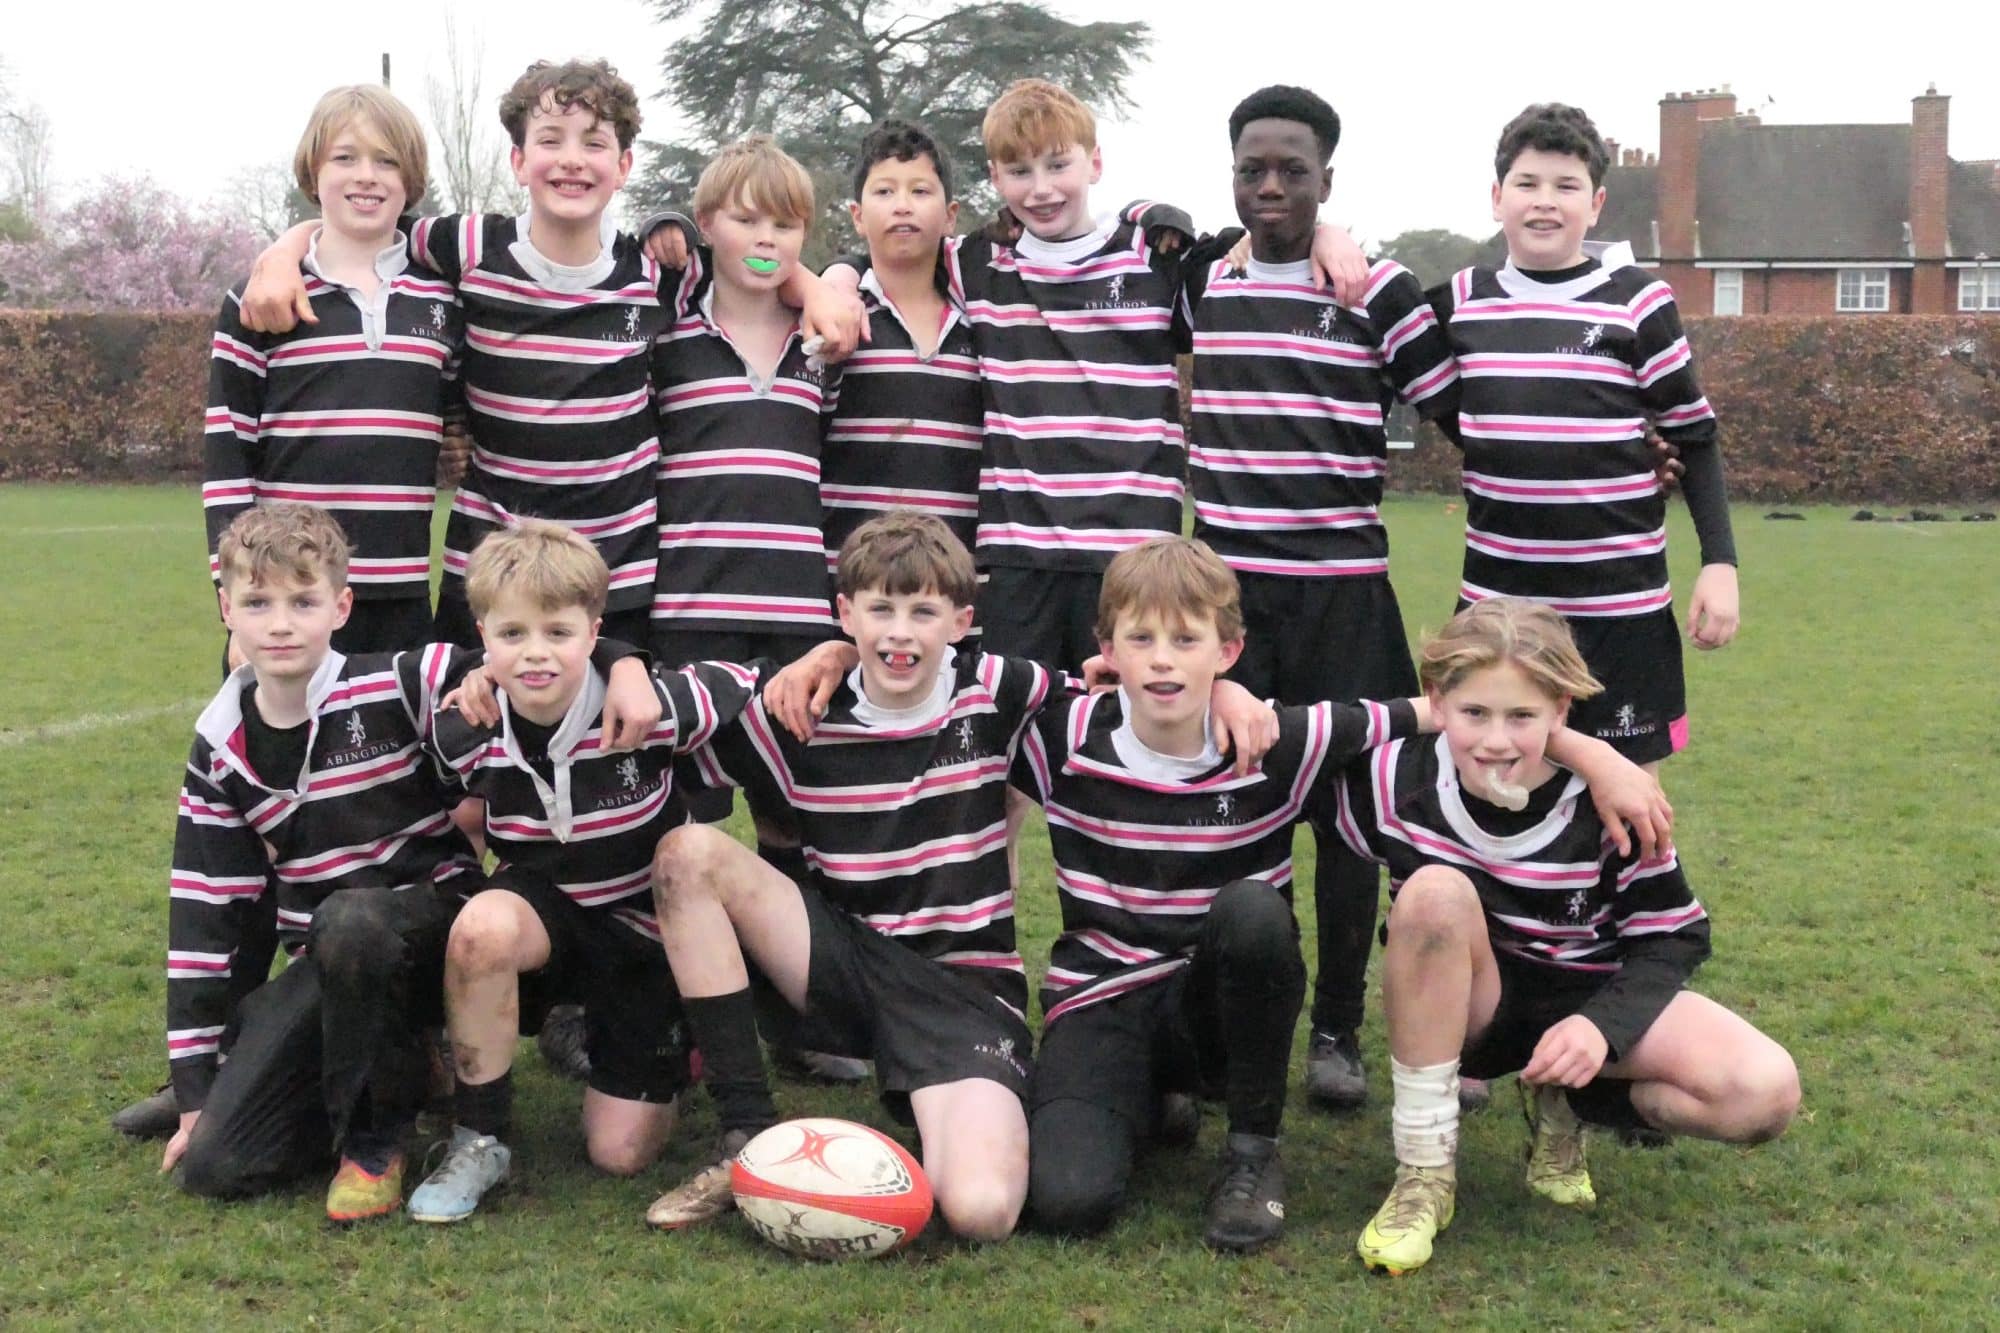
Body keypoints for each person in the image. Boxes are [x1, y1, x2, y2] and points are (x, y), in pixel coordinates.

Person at [641, 513, 1276, 1241]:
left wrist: (1227, 692)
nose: (899, 634)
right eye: (879, 610)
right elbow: (671, 735)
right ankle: (744, 1134)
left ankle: (941, 1117)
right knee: (688, 855)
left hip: (961, 990)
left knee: (983, 1212)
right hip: (840, 956)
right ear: (844, 612)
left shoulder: (1000, 688)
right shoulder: (799, 706)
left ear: (962, 621)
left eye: (922, 612)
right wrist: (820, 656)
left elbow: (1137, 687)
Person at [236, 60, 863, 651]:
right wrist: (283, 253)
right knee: (465, 724)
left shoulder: (656, 271)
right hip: (488, 565)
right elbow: (363, 232)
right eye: (550, 140)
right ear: (518, 160)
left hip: (615, 569)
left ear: (623, 166)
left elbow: (752, 260)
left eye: (593, 143)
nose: (571, 159)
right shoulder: (468, 245)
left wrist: (817, 286)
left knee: (618, 725)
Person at [1339, 597, 1798, 1276]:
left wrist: (1600, 1028)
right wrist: (1226, 702)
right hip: (1474, 1006)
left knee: (1764, 1092)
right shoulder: (1391, 777)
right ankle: (1423, 1174)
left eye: (1521, 716)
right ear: (1436, 702)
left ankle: (1570, 1100)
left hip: (1583, 1000)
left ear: (1560, 712)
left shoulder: (1613, 800)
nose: (1496, 741)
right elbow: (1282, 759)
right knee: (1432, 894)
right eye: (1474, 713)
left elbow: (1674, 937)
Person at [1182, 85, 1462, 1112]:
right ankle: (1228, 1024)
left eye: (1291, 171)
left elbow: (1469, 412)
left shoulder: (1376, 290)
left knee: (1351, 826)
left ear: (1326, 182)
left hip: (1345, 596)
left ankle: (1337, 1031)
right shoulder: (1198, 283)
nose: (1270, 186)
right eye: (1251, 169)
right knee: (1227, 817)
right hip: (1227, 609)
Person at [400, 520, 753, 1223]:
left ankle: (677, 1042)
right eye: (512, 634)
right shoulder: (465, 725)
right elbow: (447, 810)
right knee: (480, 928)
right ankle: (481, 1136)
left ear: (593, 632)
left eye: (558, 632)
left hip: (641, 928)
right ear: (483, 636)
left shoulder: (648, 704)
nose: (535, 653)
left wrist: (631, 664)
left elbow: (746, 682)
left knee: (619, 1153)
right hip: (544, 914)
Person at [161, 504, 482, 1222]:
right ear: (226, 611)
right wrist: (195, 1091)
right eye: (257, 603)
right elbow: (205, 915)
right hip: (333, 961)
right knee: (216, 1166)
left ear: (341, 606)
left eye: (303, 602)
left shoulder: (402, 681)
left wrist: (612, 663)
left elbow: (519, 664)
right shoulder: (219, 746)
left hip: (440, 938)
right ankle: (374, 1070)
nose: (280, 624)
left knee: (354, 918)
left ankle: (377, 1143)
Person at [1432, 103, 1740, 770]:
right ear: (1497, 197)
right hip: (1497, 615)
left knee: (1627, 804)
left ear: (1596, 204)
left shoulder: (1638, 301)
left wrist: (1720, 564)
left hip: (1621, 612)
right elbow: (1378, 334)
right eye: (1527, 183)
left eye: (1566, 186)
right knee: (1495, 798)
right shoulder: (1459, 300)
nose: (1545, 201)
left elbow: (1694, 436)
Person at [820, 120, 983, 611]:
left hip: (956, 593)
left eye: (920, 190)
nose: (903, 205)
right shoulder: (835, 317)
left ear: (951, 216)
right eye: (884, 191)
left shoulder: (984, 321)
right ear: (857, 215)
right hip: (855, 595)